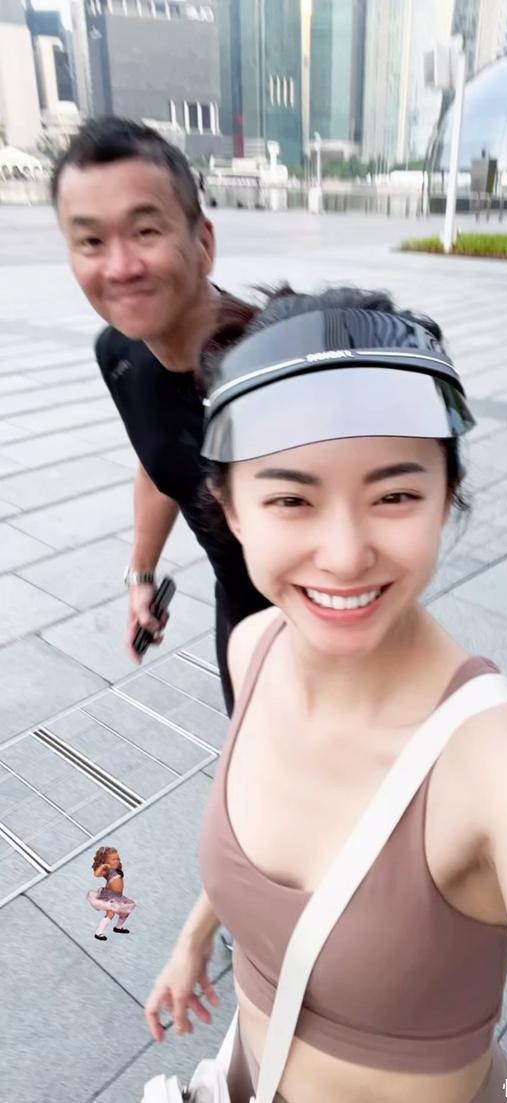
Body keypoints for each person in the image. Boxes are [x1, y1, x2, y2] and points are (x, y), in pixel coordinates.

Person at [143, 286, 507, 1103]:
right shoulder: (253, 646)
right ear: (230, 508)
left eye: (395, 495)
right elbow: (266, 839)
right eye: (292, 498)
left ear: (447, 496)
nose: (344, 554)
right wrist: (197, 935)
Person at [51, 117, 270, 714]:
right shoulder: (120, 354)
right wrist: (141, 576)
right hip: (241, 626)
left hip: (336, 631)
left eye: (145, 231)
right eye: (91, 242)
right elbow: (160, 462)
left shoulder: (279, 365)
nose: (120, 267)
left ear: (203, 242)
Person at [87, 846, 137, 940]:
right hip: (110, 896)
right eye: (113, 859)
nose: (116, 861)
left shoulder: (117, 870)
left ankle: (118, 927)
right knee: (110, 913)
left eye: (118, 859)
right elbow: (96, 874)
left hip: (118, 896)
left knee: (125, 912)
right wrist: (103, 866)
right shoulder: (107, 870)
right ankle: (99, 932)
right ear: (106, 861)